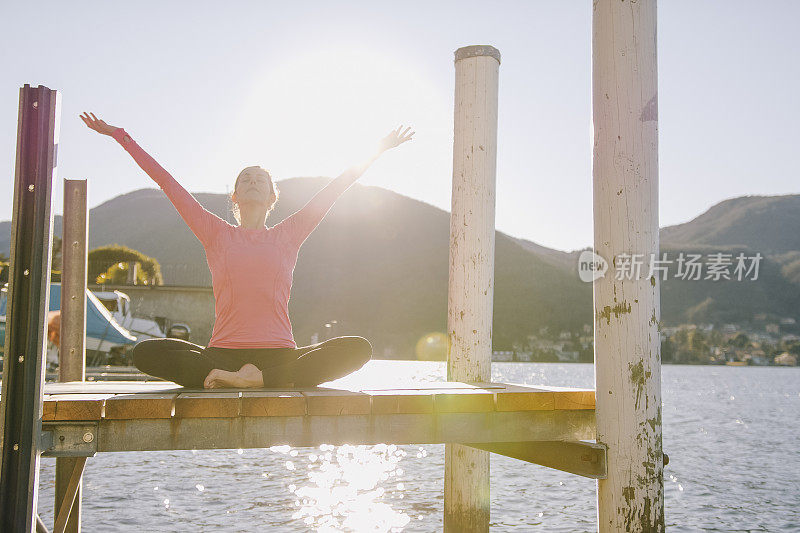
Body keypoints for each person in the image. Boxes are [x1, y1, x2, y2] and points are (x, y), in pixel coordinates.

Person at [79, 111, 414, 389]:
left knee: (357, 348)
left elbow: (335, 188)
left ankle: (244, 379)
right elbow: (168, 183)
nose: (252, 182)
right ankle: (257, 380)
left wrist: (378, 150)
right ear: (235, 196)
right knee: (145, 353)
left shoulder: (289, 234)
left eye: (260, 180)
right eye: (245, 179)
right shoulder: (215, 233)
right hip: (222, 353)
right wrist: (120, 136)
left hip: (280, 354)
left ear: (272, 197)